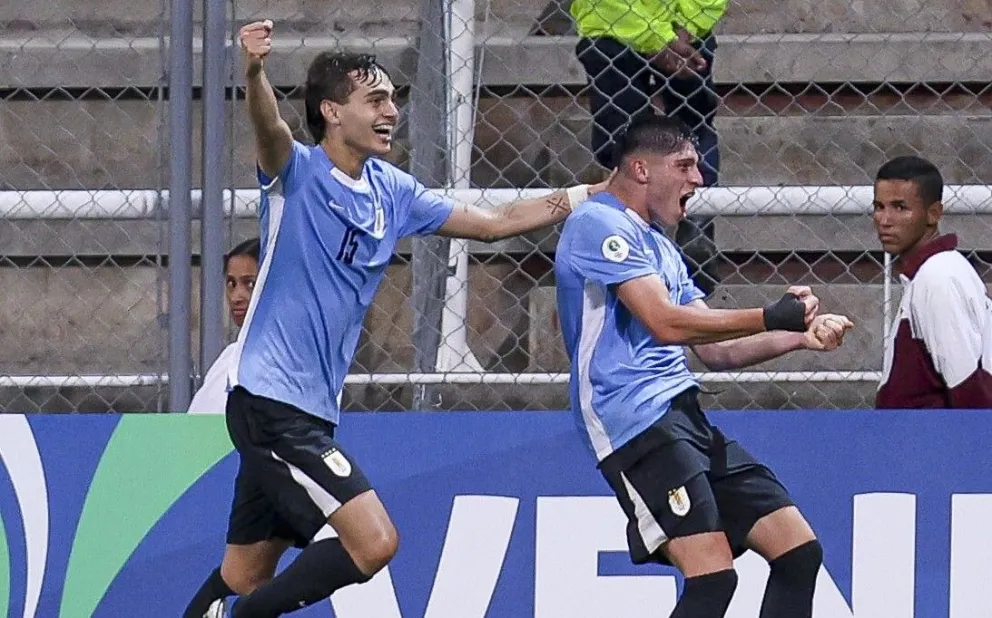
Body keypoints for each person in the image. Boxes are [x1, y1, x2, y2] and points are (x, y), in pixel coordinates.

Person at [187, 19, 612, 618]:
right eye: (376, 100)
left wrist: (586, 194)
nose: (392, 110)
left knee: (243, 572)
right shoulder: (297, 175)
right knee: (374, 541)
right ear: (333, 112)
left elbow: (491, 223)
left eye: (393, 98)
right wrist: (254, 71)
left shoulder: (394, 190)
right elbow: (269, 126)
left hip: (312, 410)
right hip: (269, 407)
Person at [553, 112, 854, 618]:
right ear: (643, 169)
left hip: (683, 416)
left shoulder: (662, 249)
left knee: (799, 552)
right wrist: (770, 313)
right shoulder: (596, 223)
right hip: (632, 423)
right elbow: (666, 324)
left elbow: (719, 350)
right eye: (686, 165)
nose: (699, 178)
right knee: (712, 578)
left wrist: (799, 337)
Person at [571, 0, 725, 294]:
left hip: (614, 25)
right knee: (688, 128)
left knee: (627, 135)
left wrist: (672, 35)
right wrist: (676, 33)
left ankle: (645, 232)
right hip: (642, 25)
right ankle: (691, 220)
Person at [873, 155, 992, 408]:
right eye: (879, 206)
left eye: (900, 207)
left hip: (935, 444)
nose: (884, 220)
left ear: (933, 213)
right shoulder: (932, 272)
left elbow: (969, 391)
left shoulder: (939, 277)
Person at [186, 237, 260, 416]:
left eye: (250, 284)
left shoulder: (301, 360)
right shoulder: (230, 357)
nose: (236, 297)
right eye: (231, 284)